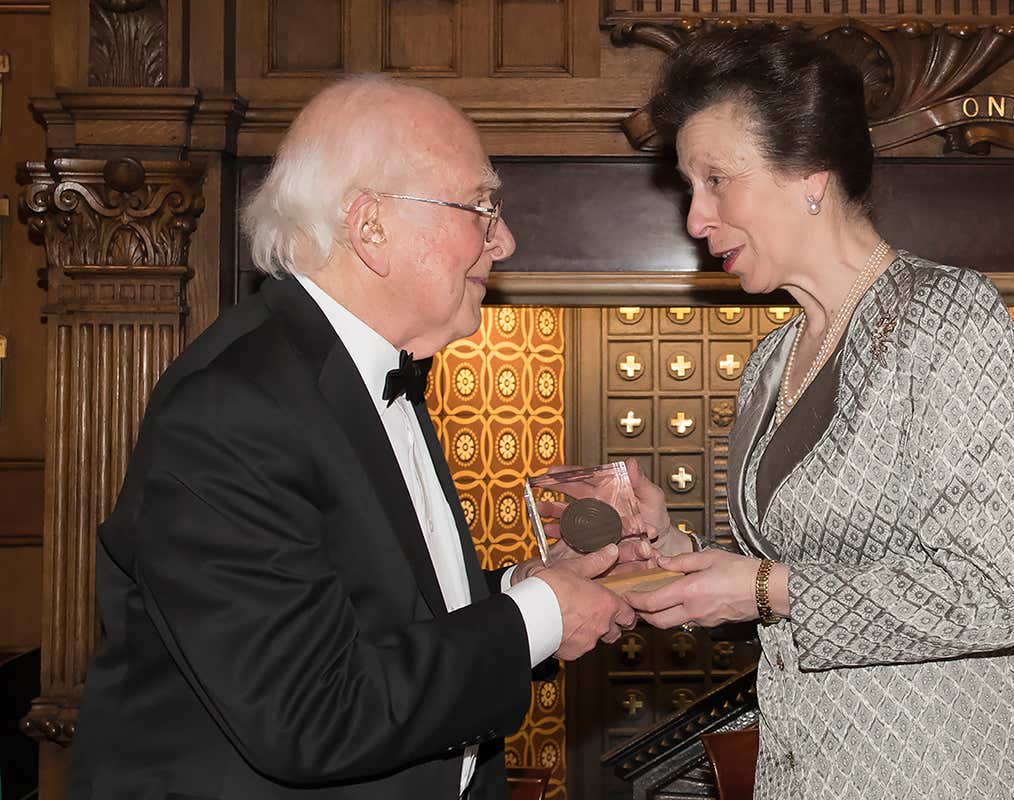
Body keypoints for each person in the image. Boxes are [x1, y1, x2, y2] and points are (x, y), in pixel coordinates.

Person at [69, 75, 636, 799]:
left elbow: (378, 616)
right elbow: (311, 715)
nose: (505, 239)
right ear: (370, 226)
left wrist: (520, 590)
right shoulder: (233, 407)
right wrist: (540, 616)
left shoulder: (367, 371)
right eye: (481, 207)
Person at [617, 27, 1014, 799]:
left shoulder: (948, 316)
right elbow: (790, 565)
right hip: (807, 777)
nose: (696, 219)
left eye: (717, 181)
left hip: (945, 775)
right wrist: (672, 553)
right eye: (690, 187)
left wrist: (763, 589)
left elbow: (992, 596)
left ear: (809, 176)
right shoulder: (771, 360)